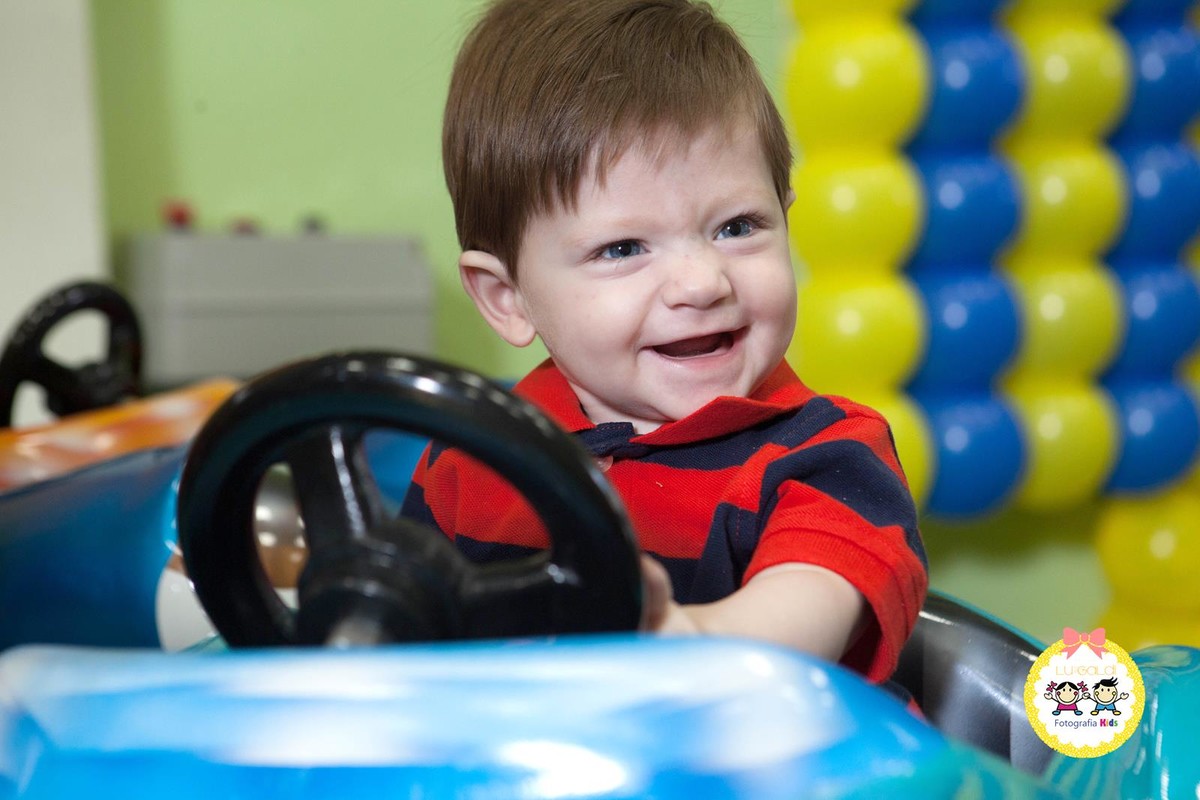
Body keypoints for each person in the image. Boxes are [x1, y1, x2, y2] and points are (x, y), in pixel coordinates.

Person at [402, 0, 927, 685]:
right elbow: (402, 646)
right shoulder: (470, 459)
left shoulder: (829, 460)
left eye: (737, 227)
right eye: (623, 248)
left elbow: (804, 608)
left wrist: (698, 638)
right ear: (509, 299)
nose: (702, 282)